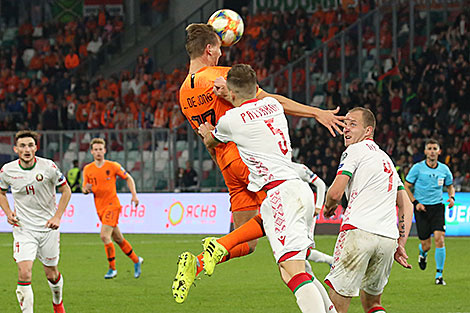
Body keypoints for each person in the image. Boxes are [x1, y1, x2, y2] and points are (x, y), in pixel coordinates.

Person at [173, 22, 345, 304]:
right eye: (217, 49)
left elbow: (210, 134)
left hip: (226, 166)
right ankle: (309, 281)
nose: (220, 55)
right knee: (283, 213)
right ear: (208, 49)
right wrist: (315, 113)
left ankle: (199, 262)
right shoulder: (219, 76)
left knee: (249, 241)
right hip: (248, 161)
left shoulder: (183, 91)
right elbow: (266, 100)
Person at [199, 64, 329, 313]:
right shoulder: (274, 106)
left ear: (232, 94)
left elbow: (211, 140)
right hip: (298, 188)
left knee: (294, 272)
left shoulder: (230, 120)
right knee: (288, 270)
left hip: (281, 193)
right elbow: (263, 97)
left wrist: (206, 131)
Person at [322, 107, 413, 313]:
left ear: (368, 131)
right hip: (387, 240)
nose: (346, 128)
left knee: (337, 303)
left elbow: (335, 193)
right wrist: (401, 242)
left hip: (358, 232)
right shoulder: (386, 159)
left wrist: (329, 207)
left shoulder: (354, 150)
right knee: (373, 304)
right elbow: (406, 204)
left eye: (353, 124)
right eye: (345, 123)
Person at [0, 130, 72, 313]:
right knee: (24, 272)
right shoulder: (7, 170)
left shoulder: (48, 167)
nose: (27, 149)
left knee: (52, 273)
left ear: (36, 148)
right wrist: (8, 212)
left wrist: (57, 216)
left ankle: (58, 302)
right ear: (16, 149)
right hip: (23, 228)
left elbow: (66, 191)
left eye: (30, 145)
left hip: (48, 228)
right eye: (23, 146)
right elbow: (1, 192)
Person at [82, 138, 144, 279]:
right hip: (100, 208)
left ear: (105, 150)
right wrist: (86, 190)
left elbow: (129, 178)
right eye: (95, 149)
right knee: (118, 239)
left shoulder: (113, 166)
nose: (98, 152)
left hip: (113, 205)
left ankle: (112, 269)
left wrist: (134, 195)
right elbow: (84, 188)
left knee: (104, 235)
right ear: (92, 152)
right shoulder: (88, 169)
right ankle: (136, 260)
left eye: (100, 149)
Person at [404, 138, 455, 285]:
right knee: (427, 245)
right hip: (422, 209)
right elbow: (406, 186)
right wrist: (415, 203)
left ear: (439, 152)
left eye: (435, 149)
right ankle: (423, 252)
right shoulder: (417, 168)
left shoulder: (444, 169)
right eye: (429, 149)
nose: (432, 151)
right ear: (425, 151)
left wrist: (451, 198)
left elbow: (450, 186)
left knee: (440, 239)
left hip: (437, 207)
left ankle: (439, 275)